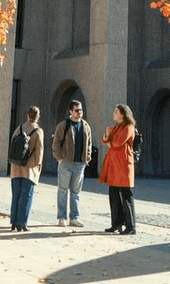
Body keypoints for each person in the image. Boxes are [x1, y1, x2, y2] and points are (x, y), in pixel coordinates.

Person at [50, 99, 93, 228]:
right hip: (66, 163)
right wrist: (59, 158)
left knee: (76, 192)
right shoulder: (63, 125)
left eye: (81, 110)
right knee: (63, 190)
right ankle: (61, 217)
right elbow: (56, 143)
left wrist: (87, 158)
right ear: (71, 111)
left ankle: (74, 218)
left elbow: (89, 143)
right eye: (77, 110)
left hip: (80, 164)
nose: (80, 113)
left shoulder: (85, 126)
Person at [100, 103, 138, 235]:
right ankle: (116, 223)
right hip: (114, 166)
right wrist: (107, 137)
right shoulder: (116, 127)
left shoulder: (128, 127)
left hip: (123, 167)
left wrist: (109, 141)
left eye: (116, 111)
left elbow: (117, 142)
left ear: (123, 114)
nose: (114, 113)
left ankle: (131, 226)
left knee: (126, 196)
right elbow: (105, 140)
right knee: (114, 195)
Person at [8, 105, 44, 231]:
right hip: (29, 168)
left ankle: (13, 221)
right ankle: (22, 223)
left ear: (27, 115)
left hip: (16, 167)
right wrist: (37, 167)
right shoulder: (38, 131)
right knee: (26, 196)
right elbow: (39, 152)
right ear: (38, 117)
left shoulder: (19, 128)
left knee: (16, 196)